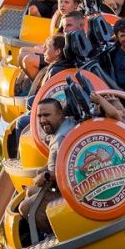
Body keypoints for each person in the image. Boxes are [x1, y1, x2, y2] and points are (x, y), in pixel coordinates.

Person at [19, 98, 76, 235]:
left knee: (25, 208)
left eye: (47, 115)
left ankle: (55, 234)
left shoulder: (60, 138)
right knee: (31, 191)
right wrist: (44, 169)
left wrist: (45, 176)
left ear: (60, 114)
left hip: (72, 192)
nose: (42, 120)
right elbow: (60, 160)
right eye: (39, 116)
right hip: (66, 181)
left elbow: (62, 172)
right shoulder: (67, 124)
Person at [19, 0, 81, 79]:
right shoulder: (64, 18)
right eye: (61, 2)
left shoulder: (75, 20)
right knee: (23, 51)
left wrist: (48, 50)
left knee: (27, 59)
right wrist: (45, 47)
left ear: (75, 5)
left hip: (63, 59)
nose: (62, 5)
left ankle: (41, 87)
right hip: (56, 52)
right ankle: (33, 82)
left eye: (66, 3)